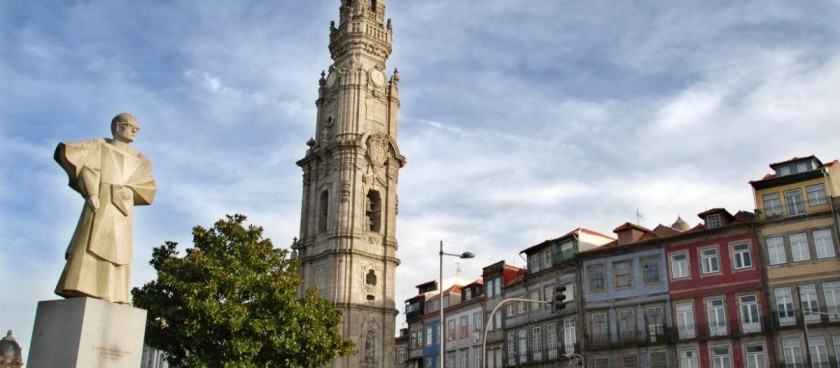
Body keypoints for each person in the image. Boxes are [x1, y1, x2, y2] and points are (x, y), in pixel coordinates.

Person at [54, 112, 157, 304]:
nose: (134, 131)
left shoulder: (140, 159)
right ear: (117, 127)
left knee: (120, 249)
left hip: (123, 208)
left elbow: (149, 187)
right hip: (103, 200)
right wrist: (92, 193)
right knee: (93, 241)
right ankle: (87, 287)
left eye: (137, 129)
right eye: (130, 126)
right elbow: (90, 170)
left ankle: (116, 293)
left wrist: (131, 192)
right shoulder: (101, 146)